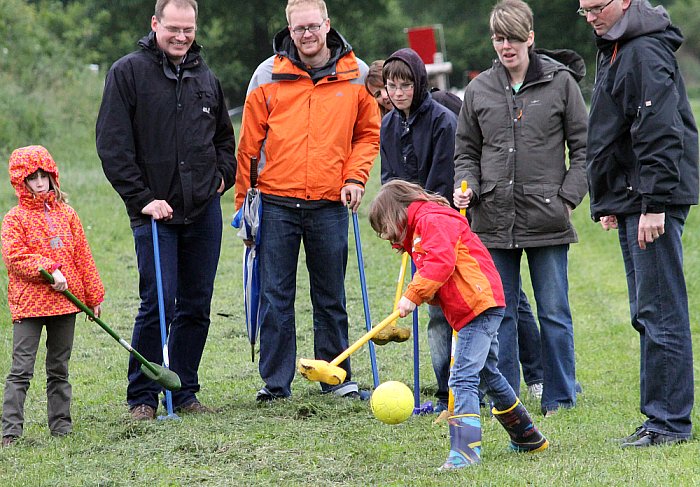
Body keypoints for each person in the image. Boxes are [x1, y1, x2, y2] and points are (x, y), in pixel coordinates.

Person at [96, 0, 236, 420]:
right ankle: (142, 397)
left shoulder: (205, 78)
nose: (181, 36)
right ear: (155, 24)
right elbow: (112, 146)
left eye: (188, 29)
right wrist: (142, 198)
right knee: (158, 301)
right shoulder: (127, 73)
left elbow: (225, 143)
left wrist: (221, 180)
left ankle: (185, 389)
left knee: (197, 303)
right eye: (173, 28)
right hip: (154, 212)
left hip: (202, 212)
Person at [235, 0, 380, 401]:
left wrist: (355, 177)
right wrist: (243, 210)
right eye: (298, 29)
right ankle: (275, 383)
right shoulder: (266, 74)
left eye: (313, 27)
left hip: (331, 203)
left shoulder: (358, 74)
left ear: (327, 25)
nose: (307, 35)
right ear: (289, 30)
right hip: (276, 203)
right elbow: (248, 147)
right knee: (275, 296)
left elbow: (367, 136)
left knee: (330, 296)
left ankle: (334, 377)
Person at [453, 0, 588, 416]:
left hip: (548, 218)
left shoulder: (561, 83)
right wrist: (468, 188)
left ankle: (561, 398)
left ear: (530, 37)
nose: (506, 46)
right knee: (500, 315)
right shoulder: (478, 89)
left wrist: (567, 199)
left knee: (554, 313)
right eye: (499, 38)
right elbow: (466, 153)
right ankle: (507, 399)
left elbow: (585, 150)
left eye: (513, 37)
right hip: (491, 221)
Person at [579, 0, 698, 447]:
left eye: (596, 7)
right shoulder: (615, 46)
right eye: (583, 10)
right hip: (631, 195)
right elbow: (613, 125)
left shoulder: (644, 49)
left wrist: (655, 203)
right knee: (646, 312)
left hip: (651, 197)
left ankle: (669, 423)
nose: (590, 16)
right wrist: (610, 196)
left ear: (624, 1)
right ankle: (657, 419)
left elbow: (659, 128)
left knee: (661, 311)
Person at [369, 179, 547, 469]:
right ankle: (527, 437)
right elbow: (440, 271)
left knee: (462, 376)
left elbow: (441, 262)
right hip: (472, 307)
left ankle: (465, 452)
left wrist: (412, 295)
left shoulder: (432, 220)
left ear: (395, 213)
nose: (389, 239)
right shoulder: (422, 226)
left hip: (479, 305)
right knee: (489, 375)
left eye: (387, 229)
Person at [1, 146, 105, 447]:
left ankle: (61, 427)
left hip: (65, 303)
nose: (39, 182)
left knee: (59, 368)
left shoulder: (67, 214)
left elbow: (82, 255)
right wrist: (50, 268)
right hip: (29, 306)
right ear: (22, 182)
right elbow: (15, 258)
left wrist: (93, 294)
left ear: (52, 175)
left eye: (43, 175)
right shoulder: (14, 219)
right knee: (21, 370)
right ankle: (10, 433)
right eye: (32, 178)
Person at [373, 48, 457, 414]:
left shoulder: (442, 121)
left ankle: (457, 390)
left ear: (419, 84)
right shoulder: (389, 124)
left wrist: (421, 220)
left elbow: (442, 180)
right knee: (432, 309)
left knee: (445, 308)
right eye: (391, 86)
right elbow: (390, 179)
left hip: (440, 223)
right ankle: (441, 389)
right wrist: (398, 223)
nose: (398, 92)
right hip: (409, 227)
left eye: (405, 85)